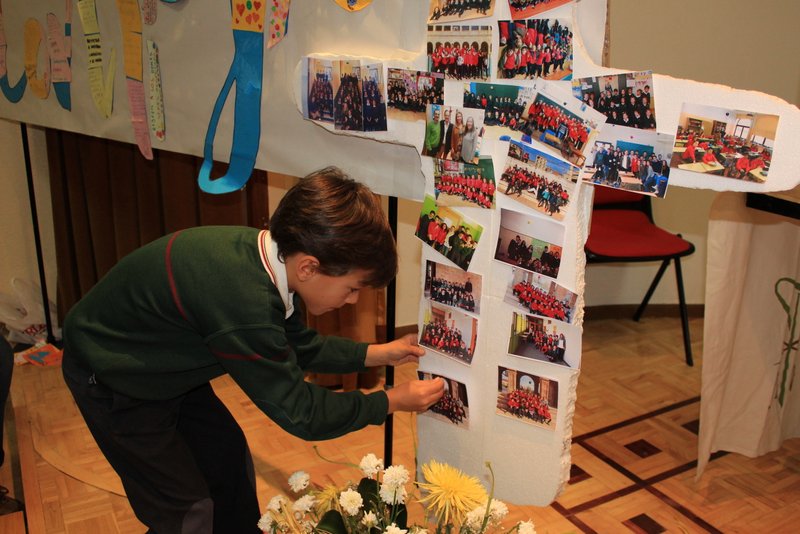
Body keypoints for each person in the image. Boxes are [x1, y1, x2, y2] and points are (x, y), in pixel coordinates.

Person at [61, 167, 445, 534]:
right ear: (310, 267)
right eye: (351, 288)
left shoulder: (272, 258)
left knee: (228, 468)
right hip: (113, 376)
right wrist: (390, 401)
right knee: (188, 514)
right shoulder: (247, 305)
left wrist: (379, 354)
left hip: (164, 367)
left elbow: (301, 346)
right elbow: (301, 413)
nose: (351, 301)